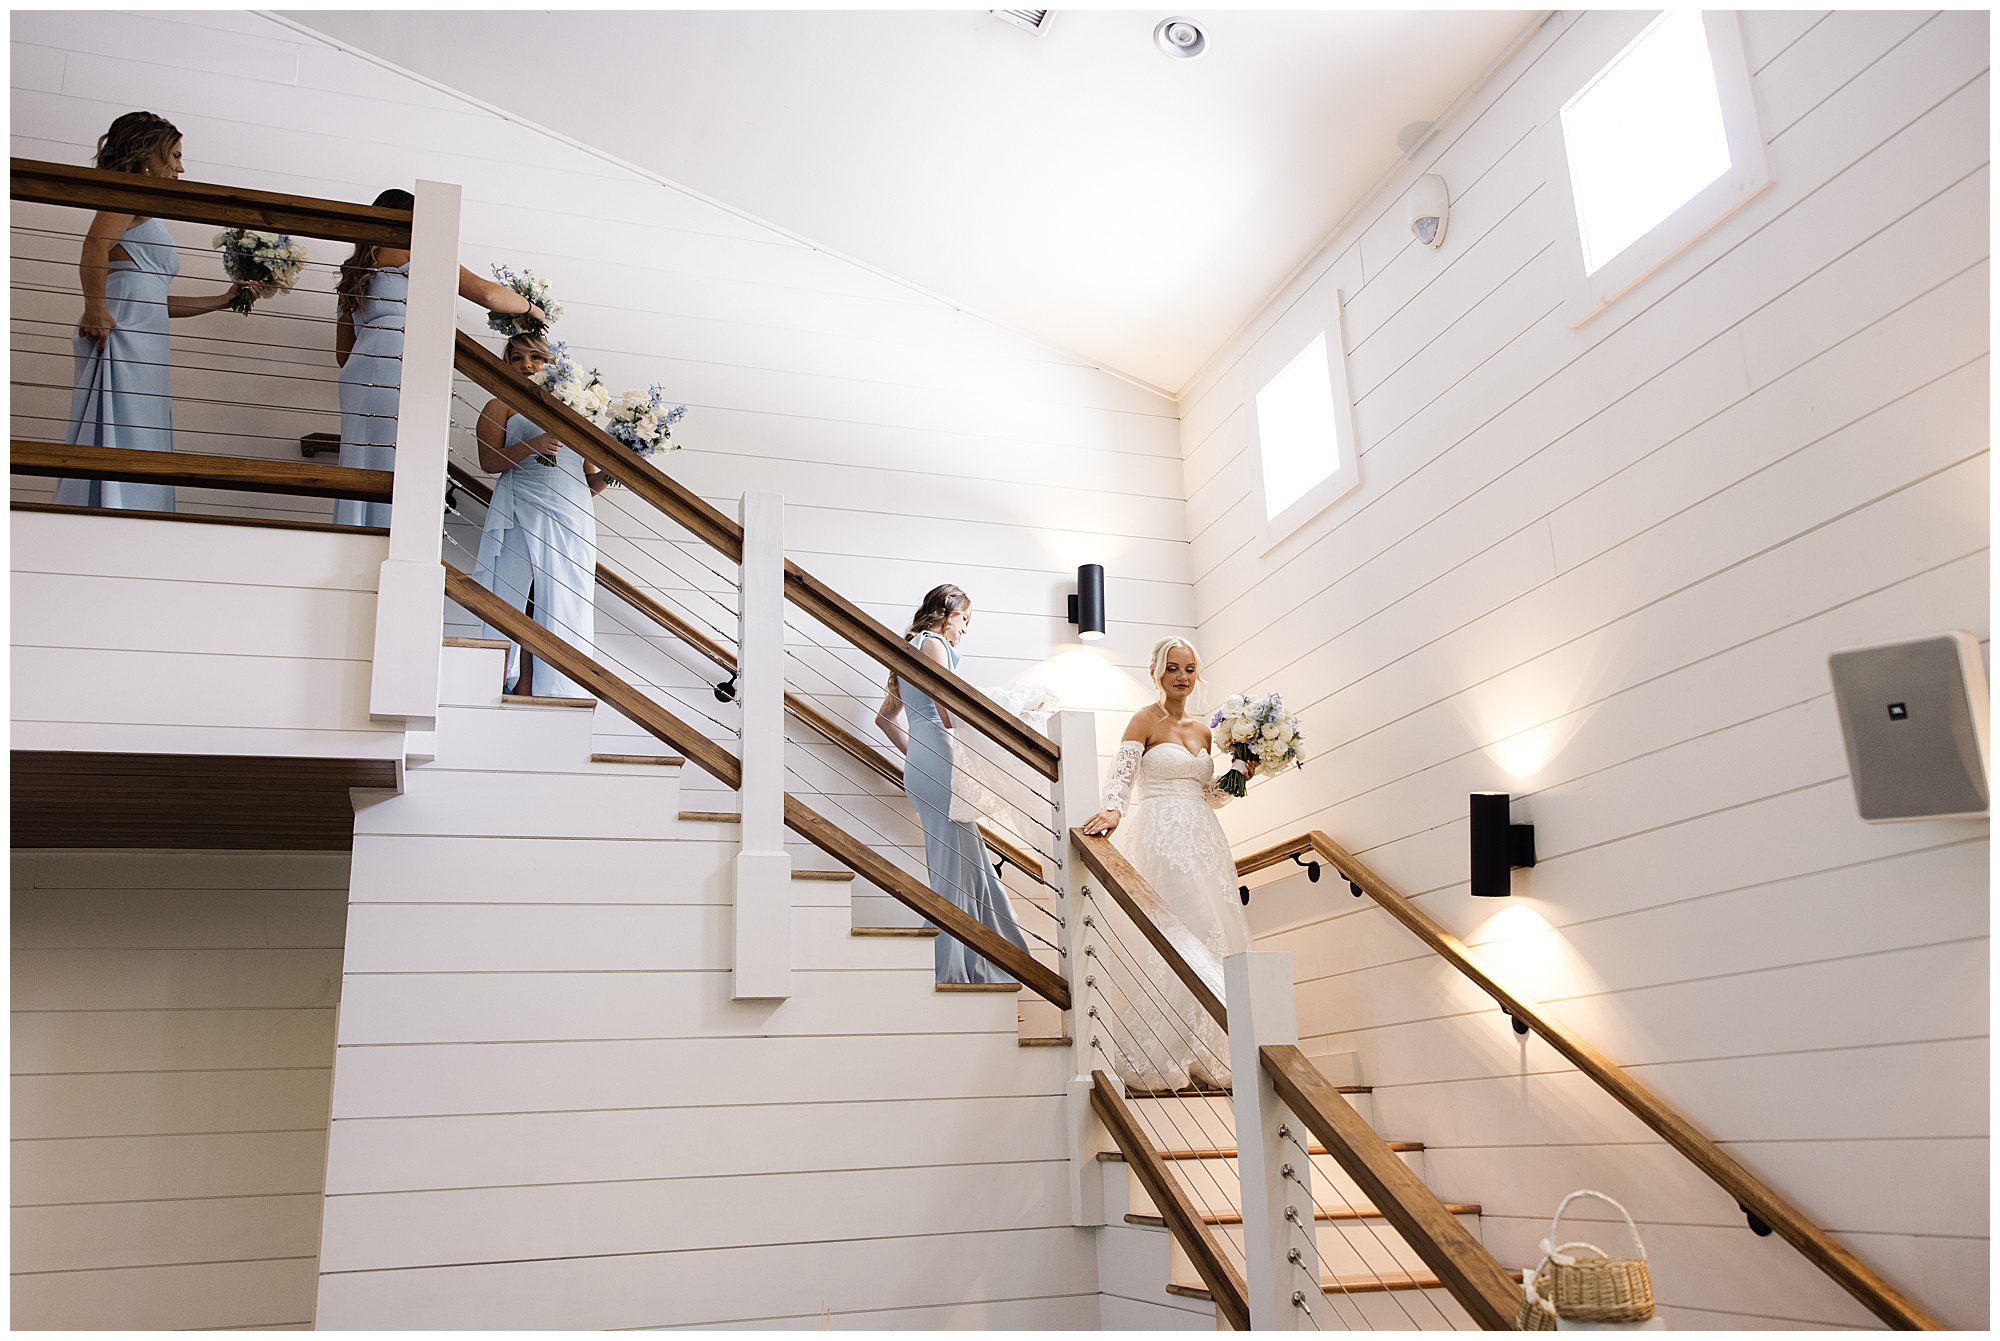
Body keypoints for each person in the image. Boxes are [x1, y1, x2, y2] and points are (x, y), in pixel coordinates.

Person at [57, 112, 264, 511]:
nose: (181, 168)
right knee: (127, 427)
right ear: (149, 156)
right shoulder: (129, 194)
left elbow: (156, 300)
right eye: (175, 156)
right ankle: (114, 509)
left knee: (143, 430)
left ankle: (135, 510)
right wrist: (96, 310)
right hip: (122, 333)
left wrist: (223, 299)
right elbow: (93, 246)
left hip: (145, 336)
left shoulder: (146, 208)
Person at [1080, 636, 1252, 1090]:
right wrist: (1114, 809)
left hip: (1204, 839)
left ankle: (1206, 1052)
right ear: (1155, 671)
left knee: (1216, 932)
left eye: (1189, 669)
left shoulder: (1204, 731)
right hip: (1161, 833)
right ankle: (1161, 1054)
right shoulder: (1144, 719)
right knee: (1185, 928)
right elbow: (1123, 774)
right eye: (1173, 668)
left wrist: (1241, 777)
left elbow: (1208, 796)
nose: (1182, 677)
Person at [332, 190, 547, 527]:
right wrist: (532, 308)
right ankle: (394, 530)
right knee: (403, 451)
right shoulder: (421, 250)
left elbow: (343, 354)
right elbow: (489, 294)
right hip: (402, 363)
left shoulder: (355, 269)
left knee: (361, 454)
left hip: (359, 375)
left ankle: (355, 526)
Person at [874, 584, 1031, 984]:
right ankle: (956, 973)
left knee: (967, 863)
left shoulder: (907, 647)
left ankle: (987, 963)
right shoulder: (935, 644)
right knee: (954, 868)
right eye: (965, 620)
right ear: (949, 611)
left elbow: (886, 720)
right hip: (939, 760)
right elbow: (948, 714)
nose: (965, 630)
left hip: (922, 766)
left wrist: (919, 758)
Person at [469, 333, 607, 698]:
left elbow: (588, 479)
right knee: (520, 593)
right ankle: (513, 684)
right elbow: (488, 461)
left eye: (535, 358)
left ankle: (560, 686)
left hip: (571, 513)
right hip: (521, 506)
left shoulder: (576, 409)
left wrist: (615, 469)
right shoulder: (500, 404)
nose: (527, 365)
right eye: (516, 358)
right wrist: (532, 445)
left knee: (563, 597)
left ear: (551, 364)